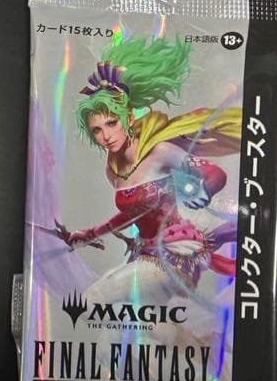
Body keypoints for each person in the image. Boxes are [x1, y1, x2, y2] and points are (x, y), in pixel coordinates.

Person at [59, 35, 241, 301]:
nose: (106, 136)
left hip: (175, 256)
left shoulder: (160, 152)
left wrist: (202, 190)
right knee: (133, 322)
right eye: (96, 130)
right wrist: (90, 234)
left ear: (129, 118)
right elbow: (132, 214)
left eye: (112, 124)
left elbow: (215, 173)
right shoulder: (114, 171)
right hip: (145, 257)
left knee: (92, 300)